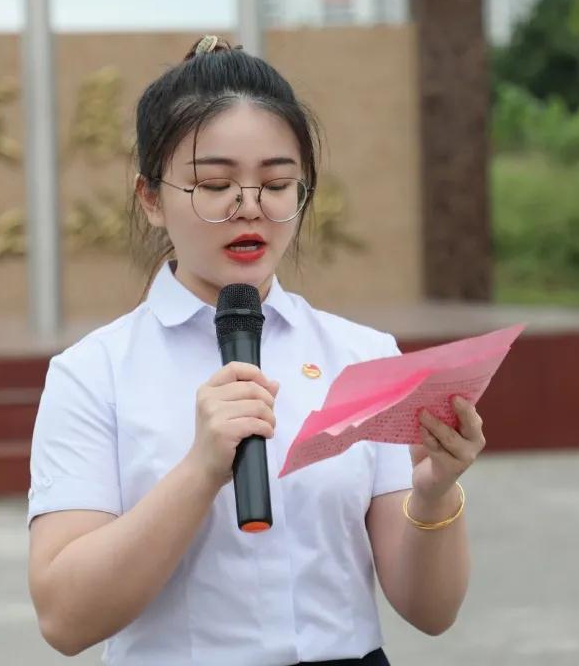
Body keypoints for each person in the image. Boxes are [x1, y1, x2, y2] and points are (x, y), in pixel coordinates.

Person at [27, 35, 487, 666]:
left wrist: (435, 494)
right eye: (214, 184)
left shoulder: (363, 355)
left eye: (276, 183)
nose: (249, 208)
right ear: (151, 199)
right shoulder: (93, 373)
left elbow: (430, 612)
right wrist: (199, 472)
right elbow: (64, 618)